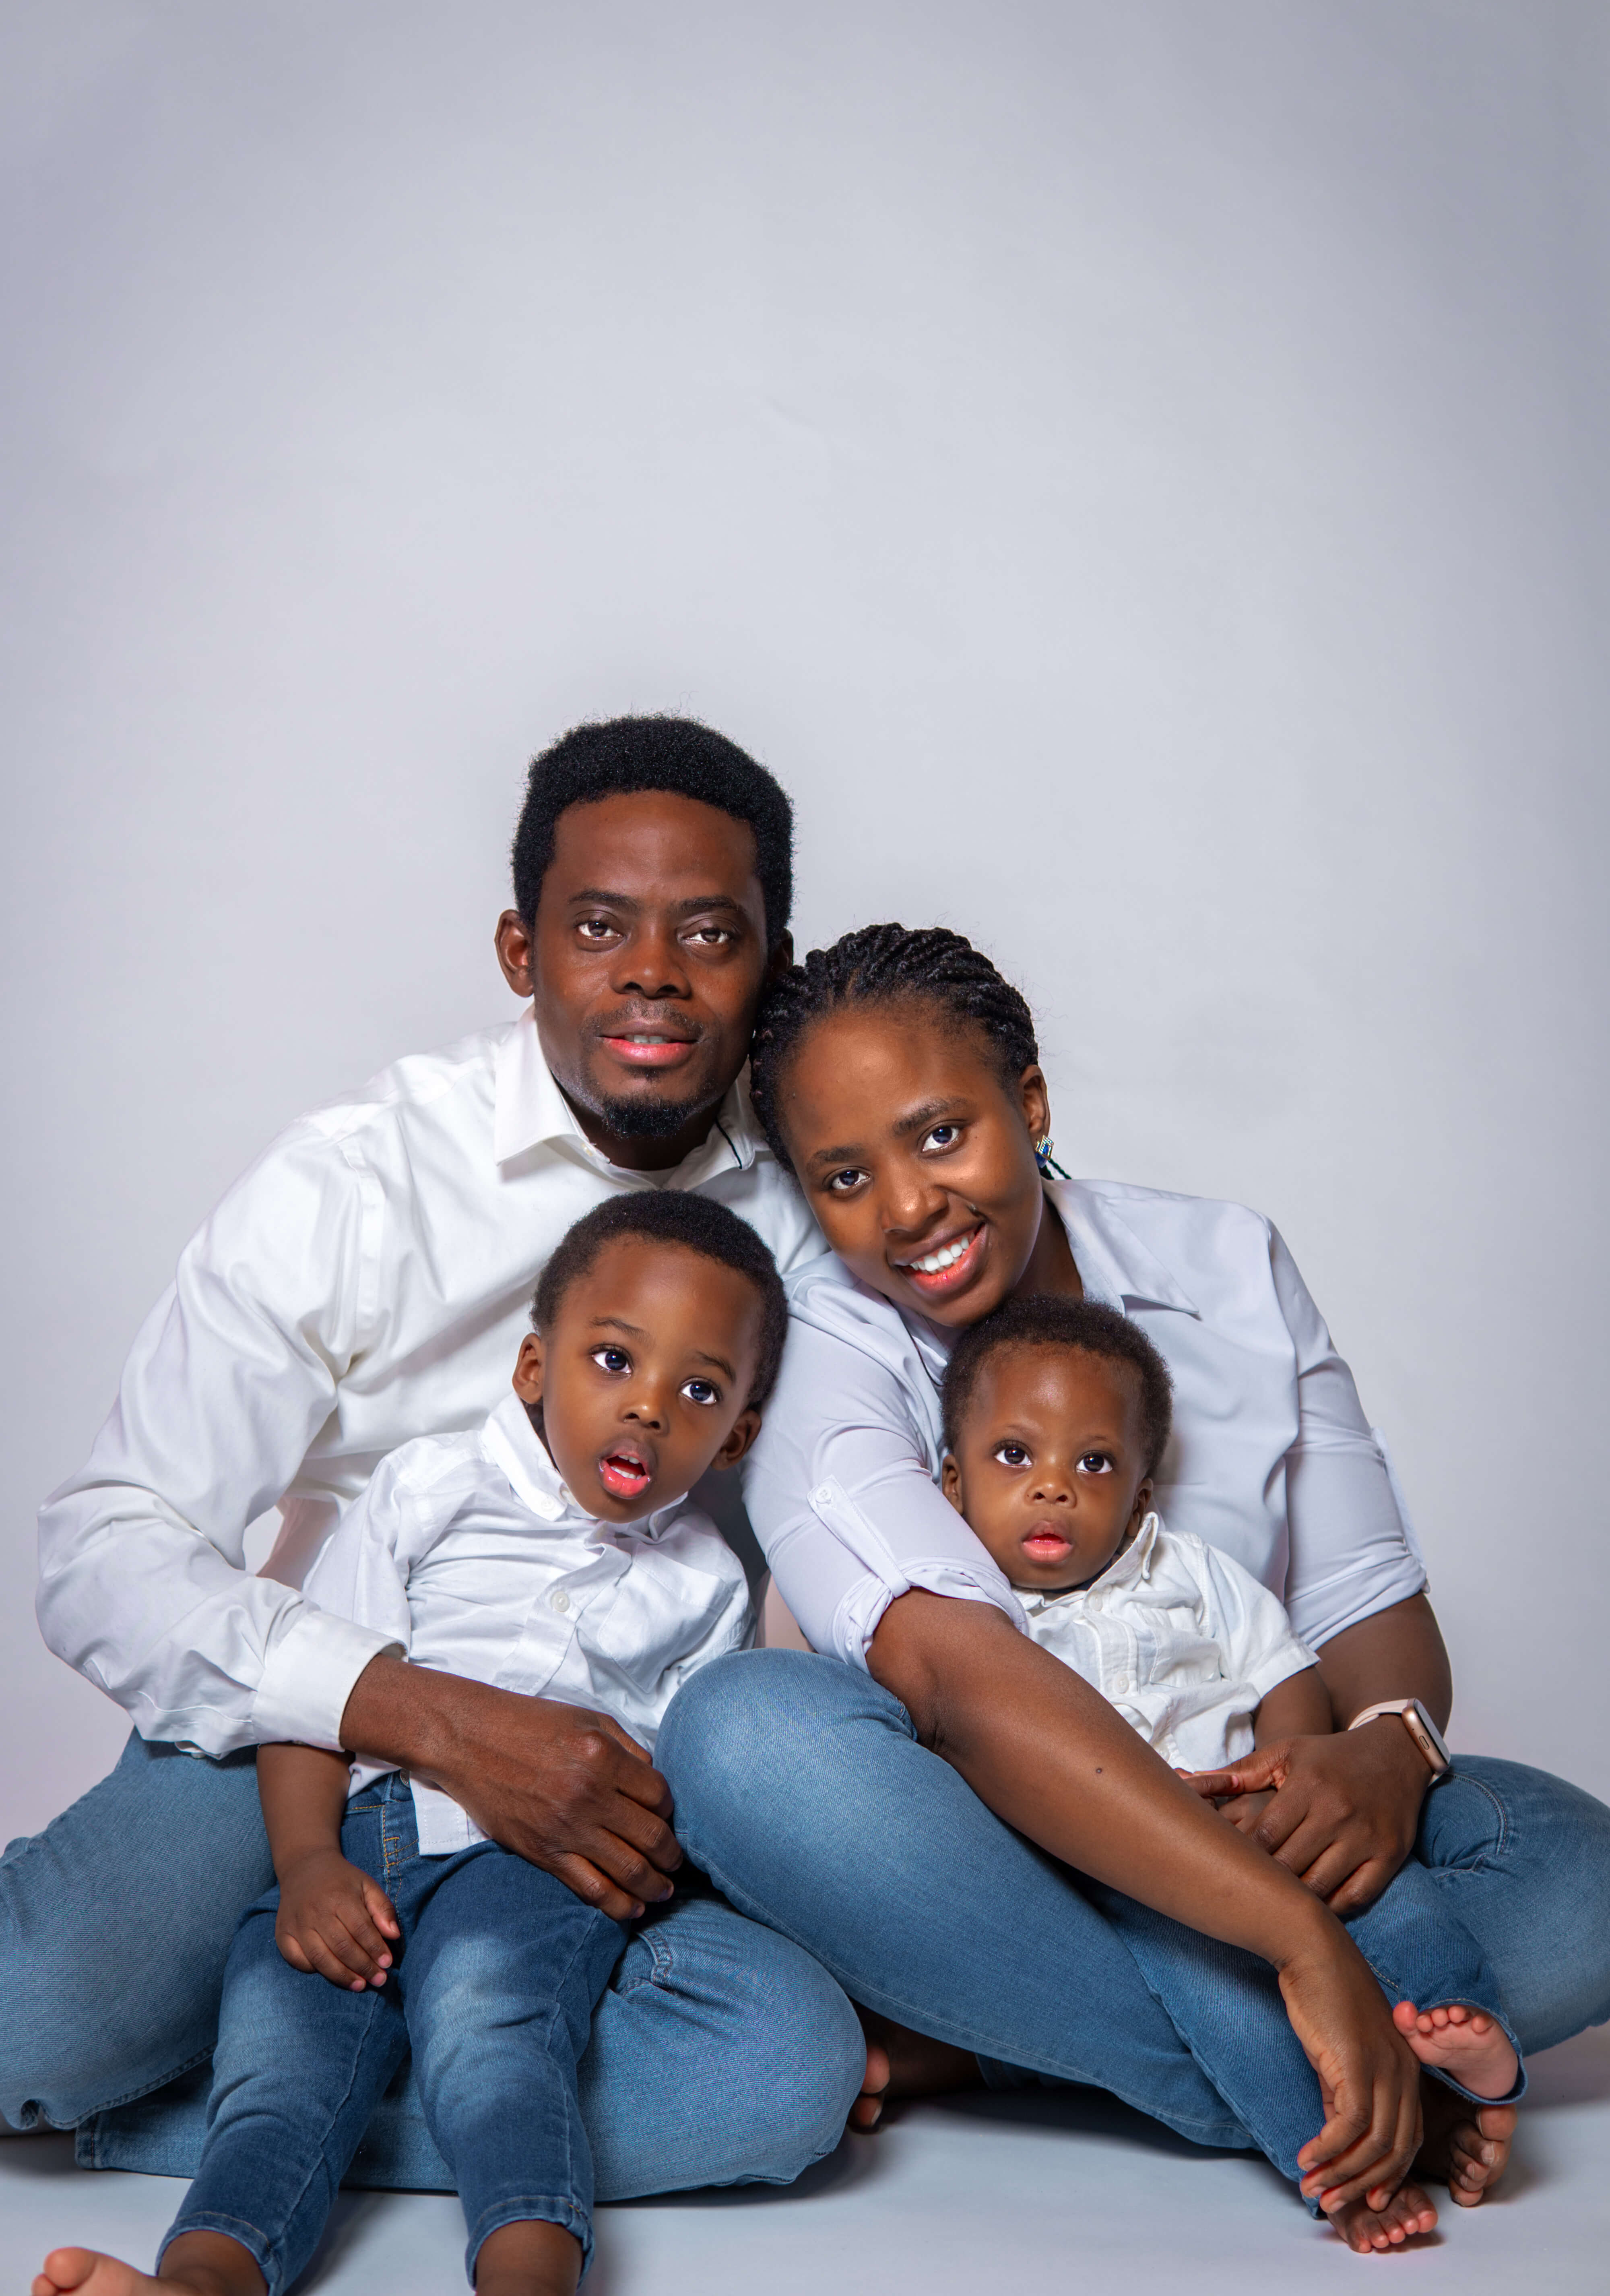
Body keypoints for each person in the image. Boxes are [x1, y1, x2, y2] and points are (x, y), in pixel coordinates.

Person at [5, 716, 868, 2199]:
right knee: (36, 2023)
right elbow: (107, 1548)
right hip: (316, 1736)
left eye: (708, 932)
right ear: (521, 951)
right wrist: (425, 1716)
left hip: (615, 1765)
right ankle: (341, 2081)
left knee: (780, 2076)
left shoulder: (809, 1222)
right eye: (599, 927)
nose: (651, 970)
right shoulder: (358, 1178)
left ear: (773, 969)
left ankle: (264, 2122)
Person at [658, 922, 1610, 2253]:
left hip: (1235, 1795)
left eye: (941, 1136)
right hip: (981, 1837)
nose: (909, 1207)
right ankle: (1348, 2088)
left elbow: (1365, 1606)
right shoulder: (824, 1339)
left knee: (1572, 1870)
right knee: (748, 1736)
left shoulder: (1229, 1265)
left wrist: (1383, 1753)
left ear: (1030, 1103)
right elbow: (963, 1682)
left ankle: (1001, 2042)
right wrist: (1300, 1944)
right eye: (845, 1176)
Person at [35, 1191, 787, 2296]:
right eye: (614, 1361)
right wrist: (306, 1867)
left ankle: (525, 2279)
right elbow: (316, 1696)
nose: (647, 1411)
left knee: (493, 2034)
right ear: (536, 1370)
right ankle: (199, 2281)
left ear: (741, 1434)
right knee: (278, 2052)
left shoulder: (708, 1581)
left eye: (699, 1391)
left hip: (532, 1871)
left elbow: (674, 1781)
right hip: (362, 1838)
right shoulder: (430, 1487)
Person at [936, 1289, 1522, 2230]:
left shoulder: (1191, 1571)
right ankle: (1350, 2178)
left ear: (1139, 1495)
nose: (1053, 1486)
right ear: (950, 1485)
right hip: (1130, 1875)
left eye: (1093, 1463)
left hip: (1255, 1827)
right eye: (1014, 1456)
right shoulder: (974, 1618)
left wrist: (1287, 1779)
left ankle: (1458, 2037)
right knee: (1226, 2001)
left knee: (1387, 1892)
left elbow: (1281, 1675)